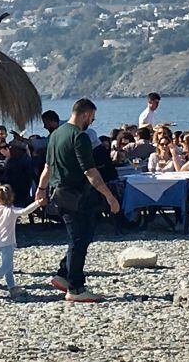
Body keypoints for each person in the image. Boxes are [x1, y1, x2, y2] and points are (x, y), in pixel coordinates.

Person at [35, 99, 121, 303]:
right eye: (92, 117)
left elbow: (48, 167)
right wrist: (110, 196)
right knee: (80, 240)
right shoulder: (79, 137)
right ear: (85, 114)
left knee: (82, 235)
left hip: (59, 193)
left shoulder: (56, 134)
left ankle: (63, 275)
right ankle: (75, 287)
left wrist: (41, 190)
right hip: (76, 195)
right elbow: (90, 171)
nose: (92, 121)